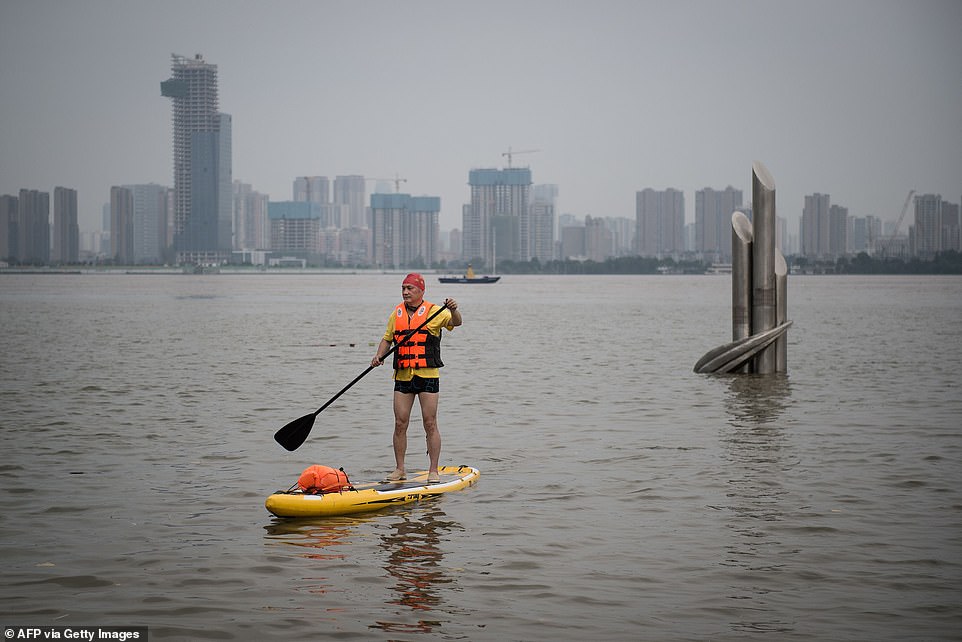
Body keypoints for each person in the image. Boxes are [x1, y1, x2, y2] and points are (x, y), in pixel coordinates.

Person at [370, 273, 461, 483]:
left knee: (430, 423)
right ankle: (400, 469)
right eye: (403, 288)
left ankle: (433, 471)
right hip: (403, 376)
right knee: (400, 423)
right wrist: (378, 356)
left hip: (427, 375)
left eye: (410, 288)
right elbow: (387, 339)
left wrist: (454, 310)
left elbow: (457, 323)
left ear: (421, 290)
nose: (405, 292)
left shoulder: (434, 312)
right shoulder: (397, 312)